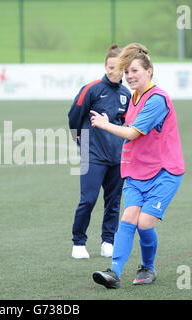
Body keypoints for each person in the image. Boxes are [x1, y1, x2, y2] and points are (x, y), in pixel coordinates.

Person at [90, 43, 185, 288]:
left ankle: (148, 267)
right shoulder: (134, 97)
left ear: (149, 71)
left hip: (164, 172)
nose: (130, 76)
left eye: (135, 71)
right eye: (127, 72)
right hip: (136, 172)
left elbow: (132, 133)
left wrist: (104, 124)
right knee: (129, 216)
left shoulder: (158, 99)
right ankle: (114, 272)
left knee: (144, 223)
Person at [68, 44, 131, 259]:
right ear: (105, 66)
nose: (115, 71)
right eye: (111, 66)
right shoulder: (91, 89)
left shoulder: (126, 94)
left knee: (113, 202)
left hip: (117, 158)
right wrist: (80, 141)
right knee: (88, 199)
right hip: (93, 156)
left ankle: (107, 242)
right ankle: (78, 242)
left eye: (119, 67)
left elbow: (126, 126)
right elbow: (74, 115)